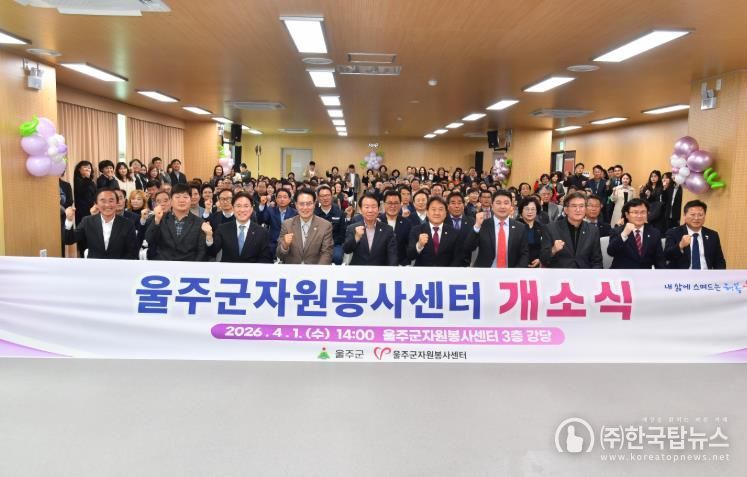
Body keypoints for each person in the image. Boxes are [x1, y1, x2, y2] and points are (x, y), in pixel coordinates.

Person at [63, 188, 138, 259]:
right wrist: (69, 220)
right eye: (103, 201)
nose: (107, 205)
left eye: (111, 201)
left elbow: (133, 252)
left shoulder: (128, 224)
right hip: (94, 265)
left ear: (116, 203)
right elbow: (69, 240)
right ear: (96, 204)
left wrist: (117, 265)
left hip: (118, 266)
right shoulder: (87, 221)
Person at [465, 190, 529, 268]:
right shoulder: (483, 224)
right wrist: (477, 226)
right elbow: (468, 247)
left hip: (511, 272)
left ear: (511, 206)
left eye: (506, 203)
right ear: (492, 205)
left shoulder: (520, 227)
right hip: (485, 272)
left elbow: (524, 254)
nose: (502, 206)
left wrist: (515, 272)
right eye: (498, 203)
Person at [202, 192, 272, 263]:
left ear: (251, 209)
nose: (242, 210)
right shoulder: (223, 229)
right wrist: (209, 237)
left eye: (246, 206)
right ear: (233, 208)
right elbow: (212, 252)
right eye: (238, 206)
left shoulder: (262, 232)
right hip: (228, 269)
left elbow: (266, 259)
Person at [144, 184, 207, 261]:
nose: (181, 200)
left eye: (185, 197)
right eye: (177, 197)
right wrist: (157, 221)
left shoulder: (199, 222)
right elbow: (149, 240)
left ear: (190, 200)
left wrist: (193, 266)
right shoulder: (160, 218)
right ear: (171, 201)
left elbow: (201, 251)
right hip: (163, 264)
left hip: (188, 265)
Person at [540, 192, 603, 269]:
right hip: (560, 274)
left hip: (584, 273)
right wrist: (553, 250)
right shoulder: (551, 229)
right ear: (566, 210)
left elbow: (597, 261)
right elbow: (543, 260)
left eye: (581, 206)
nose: (578, 210)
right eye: (574, 206)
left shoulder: (593, 230)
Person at [276, 188, 333, 264]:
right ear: (296, 205)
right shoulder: (287, 224)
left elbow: (326, 254)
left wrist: (318, 270)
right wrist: (285, 245)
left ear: (314, 204)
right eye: (301, 204)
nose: (305, 208)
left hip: (315, 269)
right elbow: (279, 255)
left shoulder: (325, 226)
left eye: (309, 204)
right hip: (292, 269)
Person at [665, 200, 726, 269]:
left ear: (705, 216)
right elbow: (667, 256)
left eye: (700, 215)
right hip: (683, 275)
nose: (696, 218)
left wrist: (720, 275)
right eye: (692, 215)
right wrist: (680, 246)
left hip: (706, 274)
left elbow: (719, 261)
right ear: (684, 215)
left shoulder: (712, 235)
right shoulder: (674, 233)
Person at [607, 198, 665, 269]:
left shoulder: (654, 233)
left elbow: (659, 259)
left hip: (644, 274)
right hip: (622, 273)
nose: (639, 216)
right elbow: (611, 252)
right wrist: (624, 235)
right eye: (635, 212)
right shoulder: (617, 231)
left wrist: (661, 274)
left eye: (643, 212)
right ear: (627, 215)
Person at [343, 193, 398, 266]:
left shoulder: (388, 230)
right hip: (358, 270)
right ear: (360, 209)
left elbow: (392, 255)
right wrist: (356, 238)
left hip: (379, 270)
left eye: (373, 207)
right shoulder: (352, 228)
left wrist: (392, 270)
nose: (370, 210)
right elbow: (346, 250)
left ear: (378, 209)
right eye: (366, 207)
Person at [407, 196, 463, 267]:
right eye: (433, 209)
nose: (437, 213)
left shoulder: (454, 233)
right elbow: (410, 255)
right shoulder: (416, 230)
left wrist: (448, 272)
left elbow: (458, 258)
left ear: (446, 213)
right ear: (427, 212)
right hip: (423, 272)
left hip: (446, 272)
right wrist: (419, 245)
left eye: (440, 209)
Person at [258, 188, 298, 254]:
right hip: (272, 245)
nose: (282, 199)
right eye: (279, 197)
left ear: (289, 200)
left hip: (289, 246)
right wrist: (262, 205)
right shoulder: (270, 211)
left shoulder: (295, 213)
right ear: (276, 199)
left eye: (285, 197)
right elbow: (262, 219)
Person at [315, 185, 347, 265]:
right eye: (322, 196)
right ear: (318, 198)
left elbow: (342, 234)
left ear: (332, 196)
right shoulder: (314, 214)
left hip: (335, 244)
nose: (325, 198)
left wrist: (330, 243)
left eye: (327, 195)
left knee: (337, 257)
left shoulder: (340, 213)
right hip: (317, 244)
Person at [378, 189, 412, 266]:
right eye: (389, 203)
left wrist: (404, 263)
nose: (393, 206)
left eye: (396, 203)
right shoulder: (377, 222)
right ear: (384, 204)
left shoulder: (407, 223)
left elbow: (409, 246)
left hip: (401, 266)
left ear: (400, 204)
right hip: (379, 266)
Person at [446, 191, 475, 266]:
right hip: (445, 264)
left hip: (466, 264)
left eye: (459, 203)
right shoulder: (442, 221)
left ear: (464, 205)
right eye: (453, 203)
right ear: (448, 206)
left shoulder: (472, 221)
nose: (456, 206)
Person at [516, 196, 545, 268]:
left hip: (537, 267)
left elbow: (545, 247)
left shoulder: (542, 227)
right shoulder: (515, 226)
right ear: (521, 210)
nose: (530, 212)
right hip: (517, 266)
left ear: (537, 211)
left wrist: (540, 259)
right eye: (527, 209)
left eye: (533, 209)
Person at [73, 160, 97, 226]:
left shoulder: (91, 182)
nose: (87, 169)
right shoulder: (76, 181)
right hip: (81, 211)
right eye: (85, 167)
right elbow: (82, 192)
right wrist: (86, 178)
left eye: (89, 168)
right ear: (79, 169)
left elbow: (95, 194)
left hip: (92, 209)